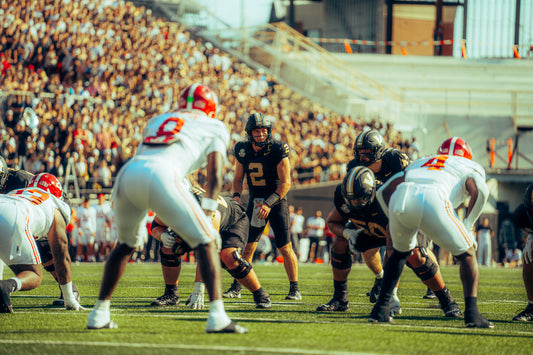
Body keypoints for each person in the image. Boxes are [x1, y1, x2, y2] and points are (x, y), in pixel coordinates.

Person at [86, 84, 247, 333]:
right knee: (206, 241)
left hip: (128, 174)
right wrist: (206, 211)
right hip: (163, 174)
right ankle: (217, 317)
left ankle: (99, 313)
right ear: (211, 108)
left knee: (125, 245)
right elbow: (214, 175)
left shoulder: (159, 119)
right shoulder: (214, 125)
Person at [371, 137, 493, 328]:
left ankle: (380, 309)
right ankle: (472, 314)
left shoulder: (422, 161)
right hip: (434, 198)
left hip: (401, 198)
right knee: (468, 254)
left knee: (399, 253)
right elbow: (482, 191)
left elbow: (383, 192)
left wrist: (395, 220)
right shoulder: (469, 165)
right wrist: (468, 227)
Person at [317, 166, 461, 319]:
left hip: (404, 222)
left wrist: (390, 294)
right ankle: (340, 299)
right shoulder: (342, 195)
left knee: (415, 256)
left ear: (372, 193)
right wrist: (347, 232)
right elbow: (332, 222)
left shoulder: (386, 199)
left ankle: (447, 301)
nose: (356, 203)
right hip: (372, 226)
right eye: (352, 199)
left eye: (361, 198)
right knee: (340, 243)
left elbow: (393, 251)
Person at [348, 129, 444, 301]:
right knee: (367, 248)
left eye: (366, 153)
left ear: (378, 151)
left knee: (419, 251)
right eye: (359, 153)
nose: (362, 157)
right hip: (378, 211)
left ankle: (436, 288)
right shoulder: (354, 167)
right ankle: (380, 278)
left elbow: (416, 183)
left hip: (409, 206)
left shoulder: (396, 160)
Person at [150, 187, 271, 309]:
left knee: (228, 257)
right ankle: (171, 294)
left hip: (233, 220)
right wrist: (163, 236)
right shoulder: (172, 203)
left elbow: (207, 251)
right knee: (170, 246)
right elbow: (156, 226)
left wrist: (199, 289)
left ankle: (260, 294)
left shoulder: (207, 211)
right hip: (200, 221)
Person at [226, 112, 300, 301]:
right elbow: (237, 178)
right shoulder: (242, 149)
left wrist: (269, 203)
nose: (260, 135)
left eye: (264, 131)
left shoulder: (278, 148)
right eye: (257, 131)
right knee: (248, 247)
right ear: (249, 133)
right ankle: (237, 287)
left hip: (276, 202)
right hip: (256, 200)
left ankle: (294, 289)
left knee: (285, 247)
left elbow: (286, 183)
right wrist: (235, 196)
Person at [0, 156, 79, 306]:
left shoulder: (22, 180)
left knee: (44, 250)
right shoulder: (49, 201)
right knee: (34, 274)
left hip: (13, 208)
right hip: (19, 214)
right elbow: (61, 250)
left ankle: (66, 289)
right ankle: (5, 287)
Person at [512, 183, 533, 321]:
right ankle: (532, 306)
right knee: (528, 258)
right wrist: (530, 237)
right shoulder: (522, 213)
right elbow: (526, 229)